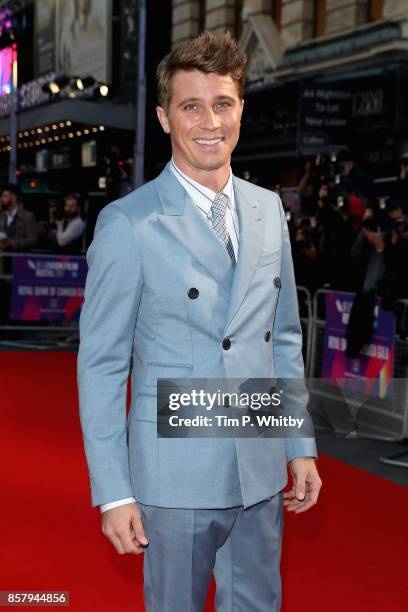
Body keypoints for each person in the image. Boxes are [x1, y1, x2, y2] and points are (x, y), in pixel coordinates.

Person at [77, 32, 322, 611]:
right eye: (191, 106)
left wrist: (299, 443)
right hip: (174, 475)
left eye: (223, 103)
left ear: (241, 110)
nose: (209, 121)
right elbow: (103, 367)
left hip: (259, 468)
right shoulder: (128, 224)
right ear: (164, 117)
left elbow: (282, 338)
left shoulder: (268, 210)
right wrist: (112, 492)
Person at [0, 183, 38, 253]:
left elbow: (33, 240)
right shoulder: (2, 216)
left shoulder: (28, 216)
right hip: (3, 258)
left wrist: (11, 243)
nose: (2, 199)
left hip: (19, 259)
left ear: (14, 197)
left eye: (5, 196)